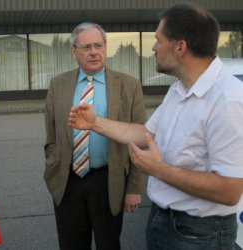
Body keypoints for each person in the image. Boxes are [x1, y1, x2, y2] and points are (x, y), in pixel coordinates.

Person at [69, 3, 243, 250]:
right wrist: (96, 122)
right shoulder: (179, 89)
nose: (153, 48)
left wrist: (158, 169)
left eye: (158, 41)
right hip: (165, 222)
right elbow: (145, 134)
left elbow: (230, 190)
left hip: (200, 235)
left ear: (180, 47)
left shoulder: (228, 100)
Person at [44, 22, 147, 250]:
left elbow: (141, 140)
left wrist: (134, 188)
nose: (94, 52)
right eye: (86, 47)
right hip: (68, 181)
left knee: (108, 244)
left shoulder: (129, 86)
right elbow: (51, 136)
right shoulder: (57, 85)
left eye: (98, 45)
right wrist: (53, 167)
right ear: (74, 52)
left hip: (108, 181)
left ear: (105, 47)